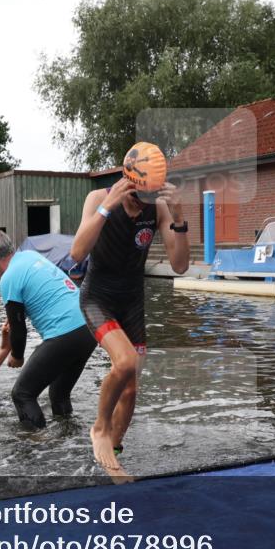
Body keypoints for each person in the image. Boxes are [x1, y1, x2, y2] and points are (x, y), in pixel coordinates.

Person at [70, 160, 190, 471]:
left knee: (132, 386)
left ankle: (114, 451)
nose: (141, 204)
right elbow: (77, 253)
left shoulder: (158, 209)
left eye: (149, 196)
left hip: (132, 301)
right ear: (127, 180)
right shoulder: (98, 199)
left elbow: (180, 266)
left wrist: (179, 217)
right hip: (97, 297)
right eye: (137, 195)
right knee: (124, 363)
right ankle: (99, 428)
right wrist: (107, 207)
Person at [0, 228, 97, 429]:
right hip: (89, 327)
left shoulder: (8, 278)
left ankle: (36, 444)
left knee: (22, 394)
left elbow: (19, 327)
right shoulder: (30, 256)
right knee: (59, 393)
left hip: (65, 333)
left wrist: (17, 355)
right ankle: (68, 439)